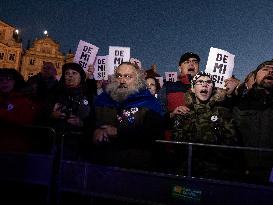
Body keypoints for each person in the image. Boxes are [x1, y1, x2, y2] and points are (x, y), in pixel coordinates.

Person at [90, 62, 164, 171]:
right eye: (119, 76)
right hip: (101, 164)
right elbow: (89, 121)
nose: (122, 80)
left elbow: (154, 130)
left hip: (135, 165)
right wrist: (94, 130)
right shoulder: (103, 99)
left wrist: (118, 132)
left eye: (127, 76)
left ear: (138, 80)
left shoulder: (149, 103)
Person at [170, 72, 243, 180]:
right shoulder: (183, 114)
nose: (204, 84)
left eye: (208, 82)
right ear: (193, 89)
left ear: (213, 89)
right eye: (200, 82)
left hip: (218, 175)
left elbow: (231, 144)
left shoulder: (223, 113)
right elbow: (178, 146)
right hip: (187, 173)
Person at [232, 60, 273, 185]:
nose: (270, 71)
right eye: (265, 69)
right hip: (241, 176)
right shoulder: (238, 104)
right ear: (254, 77)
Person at [49, 62, 94, 159]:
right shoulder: (55, 93)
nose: (70, 75)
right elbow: (41, 112)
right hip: (54, 143)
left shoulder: (88, 96)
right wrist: (52, 114)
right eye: (67, 73)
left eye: (74, 73)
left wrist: (82, 123)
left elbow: (94, 119)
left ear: (81, 77)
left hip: (79, 146)